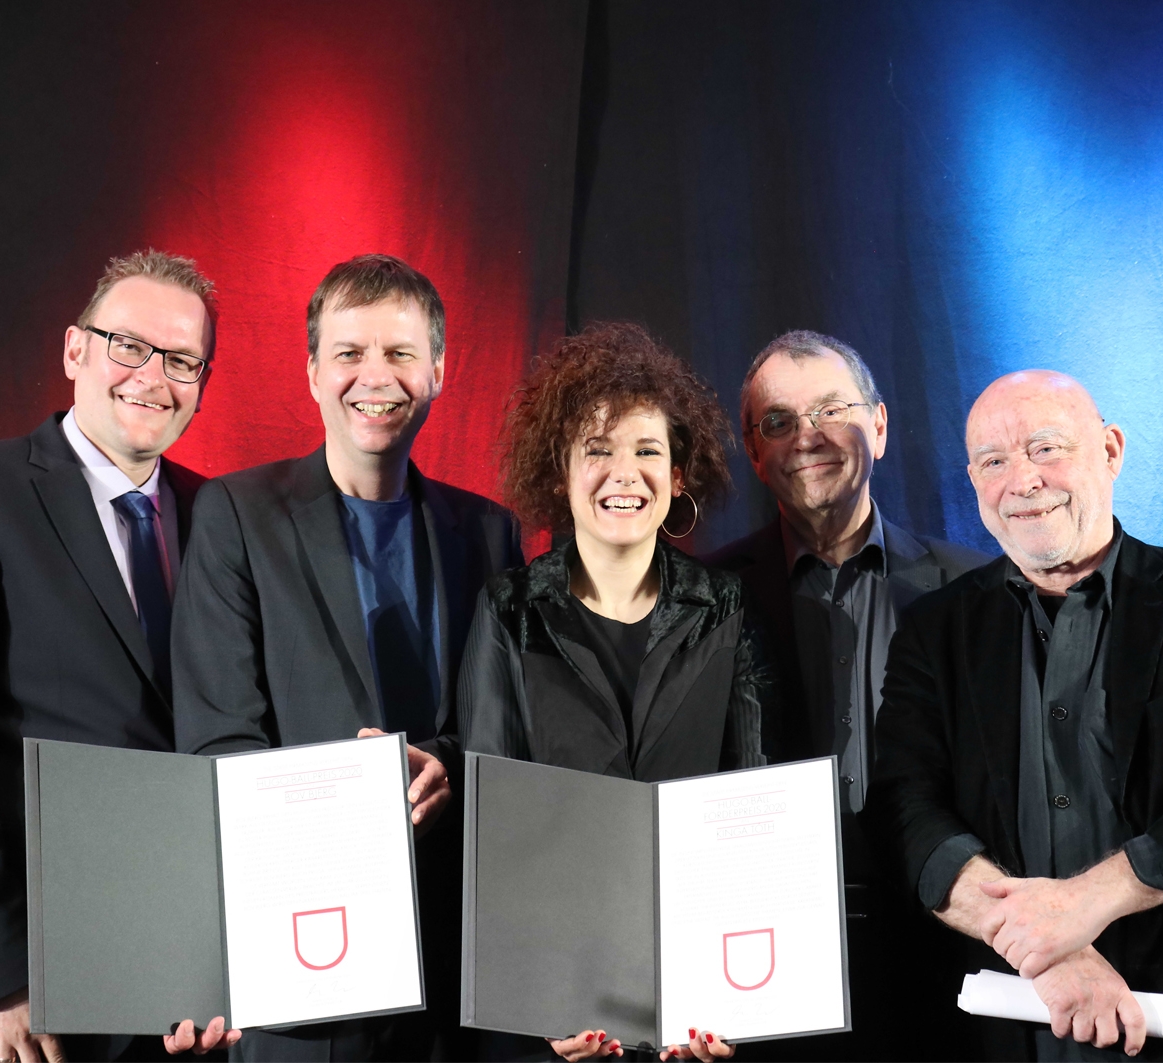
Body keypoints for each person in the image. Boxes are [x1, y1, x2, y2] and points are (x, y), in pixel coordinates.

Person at [871, 370, 1163, 1061]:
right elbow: (904, 805)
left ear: (1109, 450)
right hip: (1004, 1019)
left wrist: (1090, 899)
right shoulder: (933, 631)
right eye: (993, 462)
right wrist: (1046, 949)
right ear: (972, 481)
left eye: (1045, 448)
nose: (1022, 480)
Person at [0, 250, 229, 1062]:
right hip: (19, 1006)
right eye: (128, 346)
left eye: (181, 360)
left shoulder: (218, 519)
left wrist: (217, 968)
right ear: (75, 351)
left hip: (172, 1000)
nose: (153, 376)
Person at [171, 254, 522, 1062]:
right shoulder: (235, 515)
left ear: (437, 370)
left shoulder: (490, 532)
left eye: (400, 353)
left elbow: (503, 736)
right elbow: (218, 741)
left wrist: (445, 763)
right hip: (303, 969)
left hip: (455, 970)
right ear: (311, 373)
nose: (376, 376)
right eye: (349, 353)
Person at [460, 322, 769, 1063]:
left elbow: (751, 807)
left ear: (679, 473)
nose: (622, 474)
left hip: (697, 1001)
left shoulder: (726, 606)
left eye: (646, 451)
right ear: (558, 471)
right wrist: (541, 1002)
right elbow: (492, 824)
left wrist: (731, 1002)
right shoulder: (507, 609)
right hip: (554, 1010)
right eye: (596, 450)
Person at [702, 330, 989, 1061]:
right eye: (779, 421)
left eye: (833, 409)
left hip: (946, 953)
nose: (808, 436)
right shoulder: (702, 599)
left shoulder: (975, 592)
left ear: (881, 426)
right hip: (768, 967)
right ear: (752, 446)